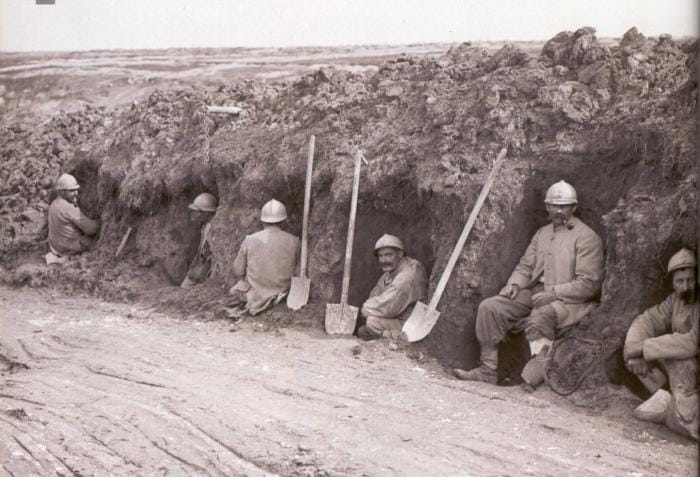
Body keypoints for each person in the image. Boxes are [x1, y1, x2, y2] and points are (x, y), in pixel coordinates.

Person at [453, 180, 604, 388]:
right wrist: (514, 284)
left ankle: (532, 379)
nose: (558, 211)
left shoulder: (587, 238)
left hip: (569, 300)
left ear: (574, 208)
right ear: (547, 207)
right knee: (490, 307)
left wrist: (554, 293)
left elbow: (589, 284)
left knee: (540, 318)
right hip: (535, 293)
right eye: (554, 206)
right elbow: (525, 266)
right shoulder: (542, 233)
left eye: (564, 206)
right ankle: (488, 371)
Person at [623, 248, 698, 440]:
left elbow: (691, 342)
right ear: (672, 283)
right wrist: (633, 348)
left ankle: (676, 411)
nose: (686, 286)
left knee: (680, 361)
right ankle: (672, 402)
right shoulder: (675, 301)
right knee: (634, 363)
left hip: (693, 371)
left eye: (690, 279)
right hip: (684, 375)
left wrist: (643, 347)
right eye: (680, 281)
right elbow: (647, 319)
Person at [225, 199, 299, 317]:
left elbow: (238, 271)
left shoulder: (250, 239)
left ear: (262, 221)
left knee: (237, 288)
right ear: (284, 221)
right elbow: (297, 271)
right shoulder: (294, 241)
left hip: (255, 294)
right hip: (283, 293)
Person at [357, 234, 428, 340]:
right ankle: (385, 335)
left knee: (371, 322)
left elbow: (389, 305)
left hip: (411, 322)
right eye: (380, 256)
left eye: (388, 255)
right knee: (362, 331)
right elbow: (376, 293)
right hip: (395, 316)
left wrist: (365, 310)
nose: (383, 260)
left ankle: (394, 339)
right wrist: (369, 308)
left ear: (400, 254)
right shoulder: (391, 271)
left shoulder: (409, 273)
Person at [47, 173, 99, 260]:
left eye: (76, 190)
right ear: (61, 191)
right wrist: (99, 222)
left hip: (55, 246)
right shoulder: (68, 207)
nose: (76, 193)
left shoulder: (54, 203)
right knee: (95, 239)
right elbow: (91, 230)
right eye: (71, 191)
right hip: (68, 248)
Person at [181, 193, 218, 288]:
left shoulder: (216, 228)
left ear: (206, 213)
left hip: (206, 271)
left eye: (197, 212)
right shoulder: (205, 226)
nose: (195, 215)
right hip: (199, 267)